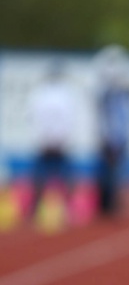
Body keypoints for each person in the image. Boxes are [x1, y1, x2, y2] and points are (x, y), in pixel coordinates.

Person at [28, 60, 78, 220]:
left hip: (51, 142)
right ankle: (53, 208)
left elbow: (37, 117)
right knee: (50, 177)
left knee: (57, 177)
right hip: (54, 142)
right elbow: (67, 118)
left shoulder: (44, 93)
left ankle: (63, 207)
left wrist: (47, 137)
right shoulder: (60, 93)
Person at [93, 45, 129, 216]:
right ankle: (106, 202)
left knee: (115, 170)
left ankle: (110, 200)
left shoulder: (122, 94)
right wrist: (107, 136)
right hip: (111, 136)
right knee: (109, 170)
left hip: (118, 135)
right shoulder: (106, 95)